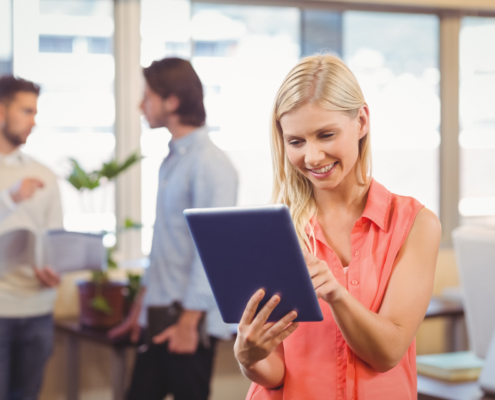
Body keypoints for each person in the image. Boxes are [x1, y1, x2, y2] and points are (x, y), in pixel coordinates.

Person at [233, 54, 441, 400]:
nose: (312, 157)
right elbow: (277, 372)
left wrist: (336, 294)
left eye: (326, 134)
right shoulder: (273, 233)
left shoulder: (415, 224)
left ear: (361, 121)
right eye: (296, 142)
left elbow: (388, 352)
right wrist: (249, 356)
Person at [109, 57, 238, 400]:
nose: (141, 105)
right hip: (160, 317)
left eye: (147, 97)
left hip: (187, 323)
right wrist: (138, 312)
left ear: (172, 101)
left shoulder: (209, 164)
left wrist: (188, 322)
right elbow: (166, 246)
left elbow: (215, 253)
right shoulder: (173, 160)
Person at [0, 75, 63, 400]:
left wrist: (54, 268)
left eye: (35, 112)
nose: (33, 122)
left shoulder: (44, 175)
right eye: (26, 111)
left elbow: (54, 238)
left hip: (38, 309)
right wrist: (9, 198)